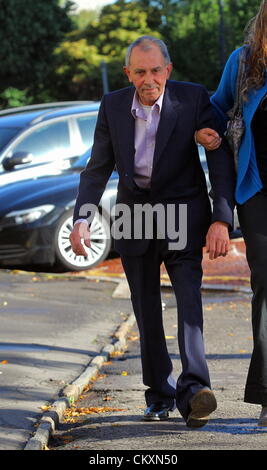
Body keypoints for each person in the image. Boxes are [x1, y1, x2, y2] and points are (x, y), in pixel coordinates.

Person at [70, 36, 235, 427]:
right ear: (128, 74)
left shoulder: (192, 99)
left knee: (189, 305)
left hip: (182, 212)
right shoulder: (112, 105)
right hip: (135, 216)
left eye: (156, 70)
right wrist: (82, 218)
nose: (149, 79)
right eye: (140, 72)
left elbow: (220, 154)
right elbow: (97, 167)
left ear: (168, 71)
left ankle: (195, 392)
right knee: (146, 311)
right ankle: (159, 394)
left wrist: (221, 217)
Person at [196, 0, 267, 427]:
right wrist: (198, 128)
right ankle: (266, 396)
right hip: (257, 191)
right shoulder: (244, 63)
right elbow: (216, 108)